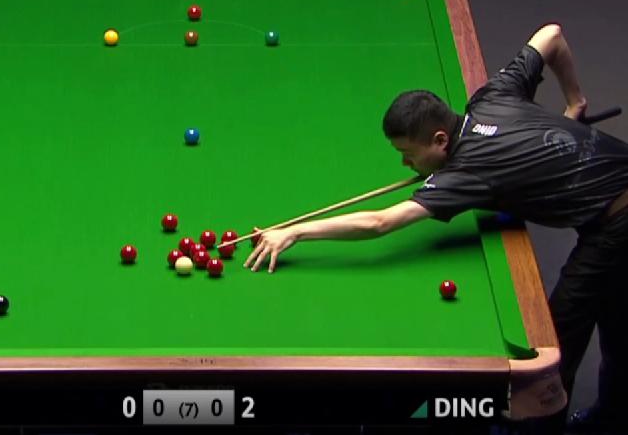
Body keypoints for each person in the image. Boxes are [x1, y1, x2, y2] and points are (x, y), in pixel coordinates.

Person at [244, 24, 628, 434]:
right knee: (615, 313)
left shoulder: (464, 173)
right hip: (611, 196)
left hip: (616, 224)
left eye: (408, 154)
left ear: (440, 140)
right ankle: (613, 415)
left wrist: (295, 232)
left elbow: (380, 223)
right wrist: (575, 101)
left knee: (552, 349)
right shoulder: (490, 97)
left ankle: (540, 427)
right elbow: (550, 35)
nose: (405, 164)